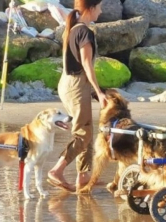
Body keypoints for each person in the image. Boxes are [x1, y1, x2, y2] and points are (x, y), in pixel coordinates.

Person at [47, 0, 107, 193]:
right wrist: (98, 91)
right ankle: (57, 170)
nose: (101, 10)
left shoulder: (74, 28)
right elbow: (87, 65)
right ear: (91, 8)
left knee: (86, 129)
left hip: (70, 83)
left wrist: (95, 91)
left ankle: (84, 176)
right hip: (76, 84)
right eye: (99, 6)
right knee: (83, 133)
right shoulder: (84, 32)